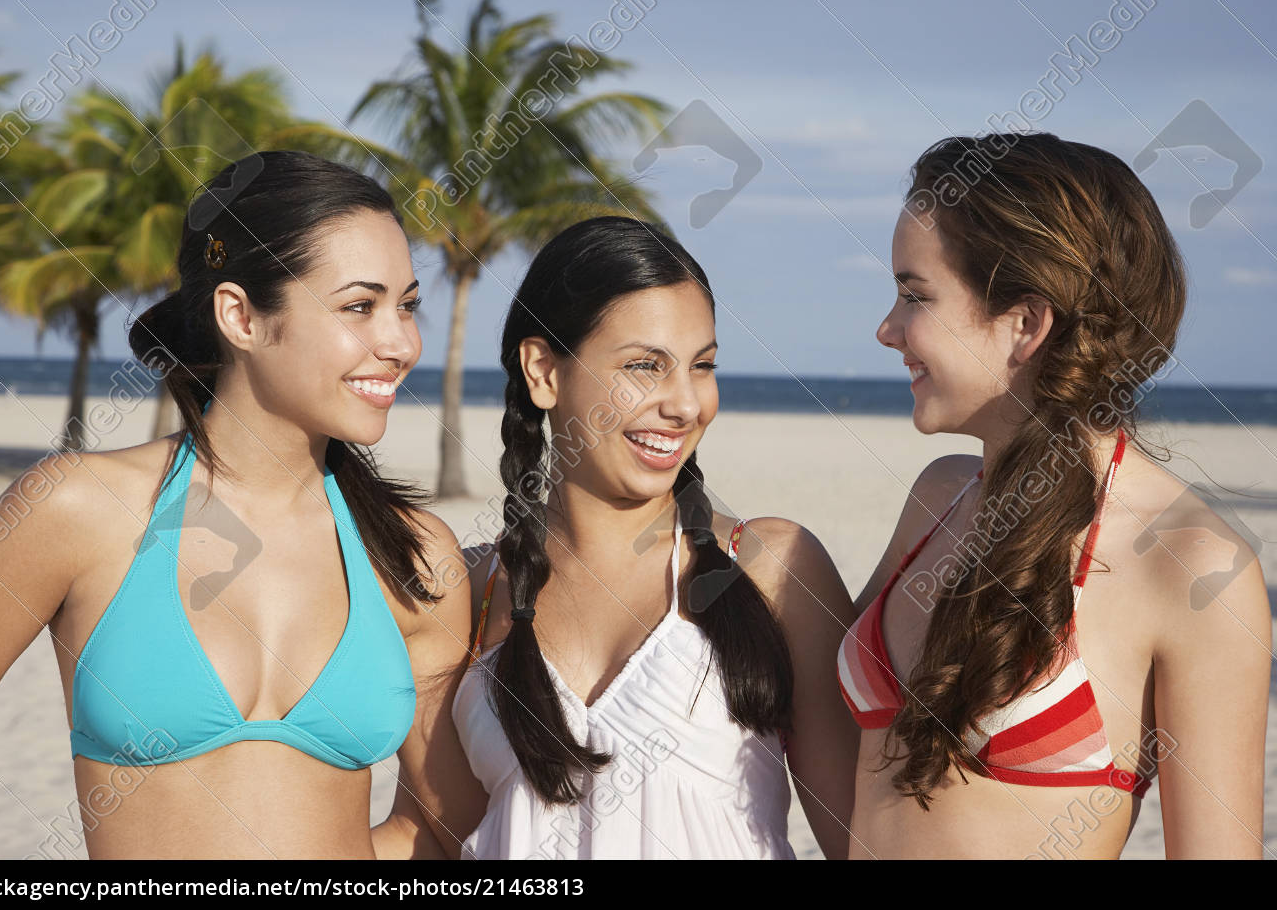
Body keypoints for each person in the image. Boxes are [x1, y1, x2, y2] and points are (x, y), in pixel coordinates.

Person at [0, 151, 484, 859]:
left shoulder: (415, 554)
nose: (401, 342)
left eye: (408, 305)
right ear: (241, 316)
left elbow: (444, 825)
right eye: (360, 306)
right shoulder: (78, 508)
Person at [842, 132, 1269, 858]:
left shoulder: (1191, 565)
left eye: (914, 295)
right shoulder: (939, 496)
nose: (887, 330)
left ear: (1026, 323)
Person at [383, 216, 859, 859]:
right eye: (646, 366)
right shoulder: (468, 593)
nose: (687, 404)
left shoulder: (771, 569)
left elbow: (864, 839)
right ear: (543, 371)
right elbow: (428, 842)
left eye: (703, 366)